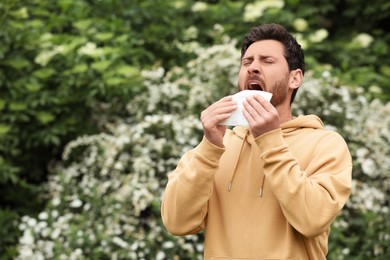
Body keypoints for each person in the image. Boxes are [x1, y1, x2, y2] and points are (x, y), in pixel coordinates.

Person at [161, 23, 352, 259]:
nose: (253, 68)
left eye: (267, 61)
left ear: (295, 78)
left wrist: (270, 141)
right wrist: (209, 148)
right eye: (247, 62)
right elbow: (177, 223)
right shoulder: (216, 146)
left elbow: (313, 220)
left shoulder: (325, 144)